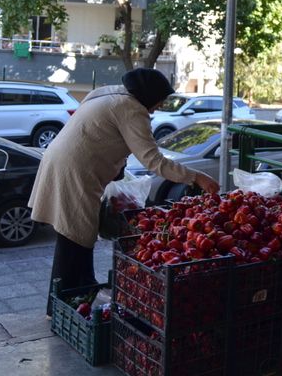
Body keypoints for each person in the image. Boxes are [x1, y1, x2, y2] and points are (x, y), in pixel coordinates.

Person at [30, 68, 220, 312]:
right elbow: (153, 161)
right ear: (148, 96)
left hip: (60, 160)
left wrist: (116, 167)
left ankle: (83, 292)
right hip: (76, 171)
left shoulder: (105, 93)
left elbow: (101, 134)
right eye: (159, 101)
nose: (158, 107)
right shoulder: (131, 109)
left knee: (79, 234)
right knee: (73, 236)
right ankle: (57, 308)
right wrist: (197, 177)